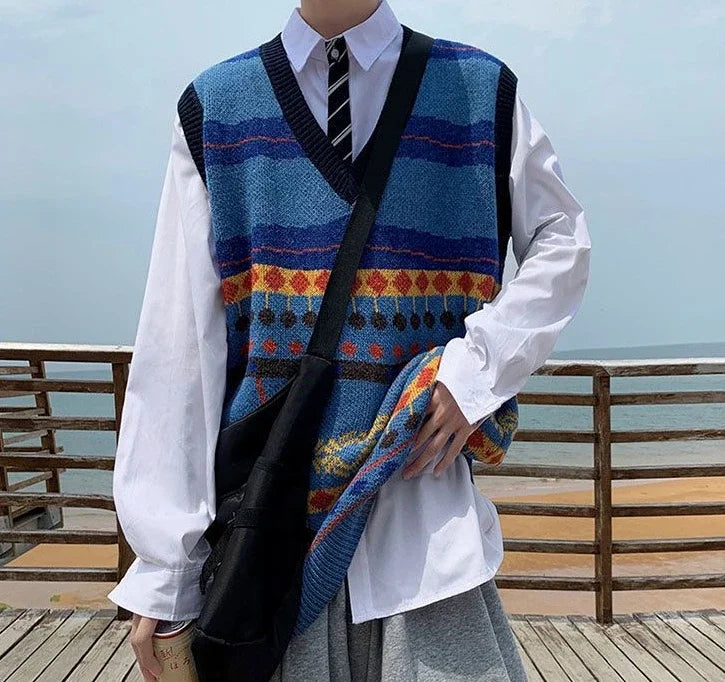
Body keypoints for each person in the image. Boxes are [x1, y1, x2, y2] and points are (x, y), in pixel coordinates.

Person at [107, 0, 591, 680]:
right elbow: (180, 346)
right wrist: (166, 570)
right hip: (269, 544)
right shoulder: (215, 109)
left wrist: (477, 368)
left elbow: (562, 240)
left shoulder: (480, 91)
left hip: (423, 527)